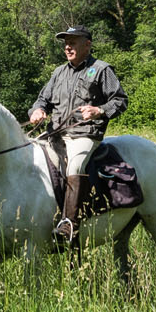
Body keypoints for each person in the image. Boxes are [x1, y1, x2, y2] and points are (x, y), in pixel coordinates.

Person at [27, 25, 128, 244]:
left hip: (84, 134)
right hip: (54, 135)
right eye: (65, 42)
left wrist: (99, 110)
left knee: (74, 166)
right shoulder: (59, 73)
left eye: (73, 42)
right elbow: (42, 99)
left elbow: (120, 101)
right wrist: (37, 110)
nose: (67, 46)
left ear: (87, 45)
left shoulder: (101, 69)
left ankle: (68, 225)